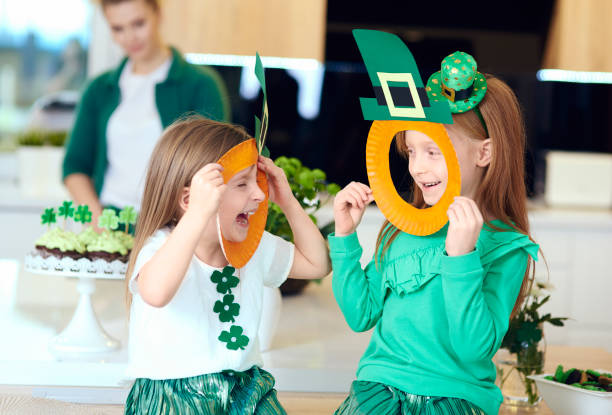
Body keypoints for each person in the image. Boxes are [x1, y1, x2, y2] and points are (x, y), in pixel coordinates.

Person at [329, 51, 540, 415]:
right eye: (411, 151)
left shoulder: (508, 247)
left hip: (456, 397)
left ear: (484, 153)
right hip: (380, 386)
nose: (417, 167)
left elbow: (473, 348)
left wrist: (461, 258)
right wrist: (346, 237)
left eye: (433, 150)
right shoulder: (402, 224)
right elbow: (360, 314)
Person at [123, 116, 330, 414]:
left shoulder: (253, 245)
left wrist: (288, 201)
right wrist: (197, 214)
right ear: (190, 199)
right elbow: (156, 293)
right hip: (174, 393)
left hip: (245, 388)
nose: (259, 195)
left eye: (256, 183)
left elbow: (317, 264)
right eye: (242, 183)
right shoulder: (162, 247)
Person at [62, 0, 230, 228]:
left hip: (171, 227)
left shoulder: (200, 84)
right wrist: (99, 224)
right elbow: (75, 166)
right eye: (118, 28)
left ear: (158, 15)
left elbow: (212, 166)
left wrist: (182, 230)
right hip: (108, 227)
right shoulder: (99, 89)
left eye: (138, 23)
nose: (129, 37)